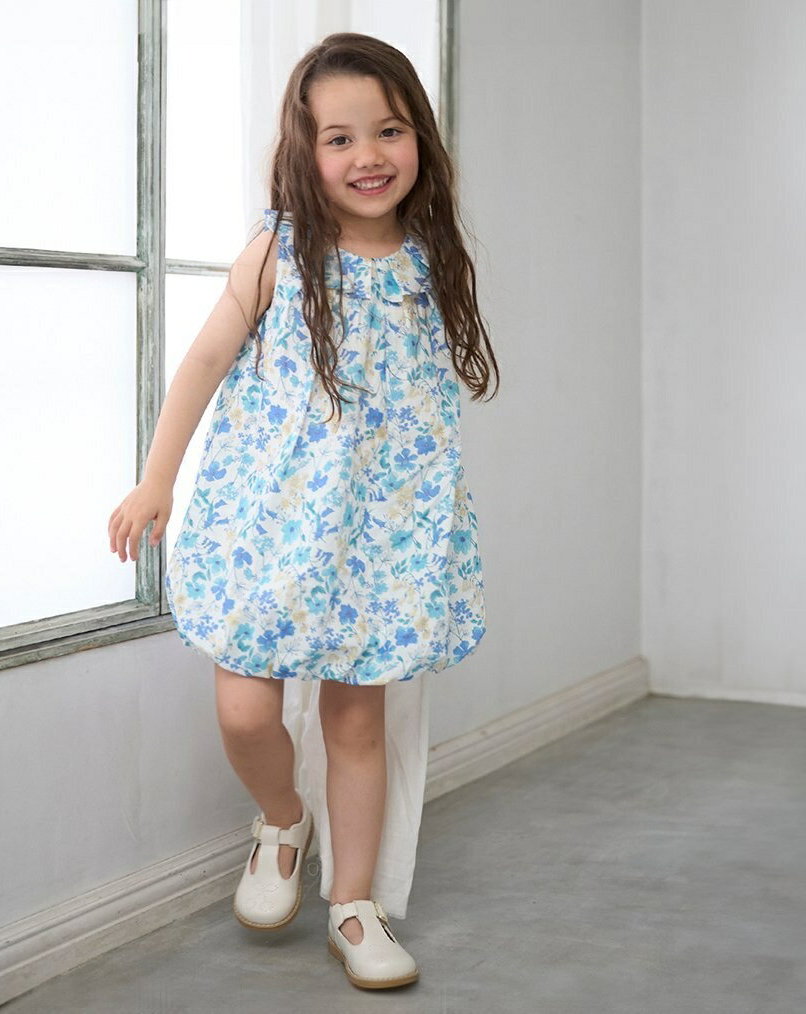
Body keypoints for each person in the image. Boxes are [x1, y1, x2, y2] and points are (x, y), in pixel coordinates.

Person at [107, 31, 498, 991]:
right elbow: (203, 361)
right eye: (339, 138)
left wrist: (430, 519)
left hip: (375, 534)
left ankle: (353, 905)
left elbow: (422, 411)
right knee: (245, 709)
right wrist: (156, 478)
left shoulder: (429, 262)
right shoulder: (279, 252)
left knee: (355, 724)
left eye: (389, 130)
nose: (369, 155)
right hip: (264, 524)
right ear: (304, 150)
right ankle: (283, 821)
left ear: (420, 138)